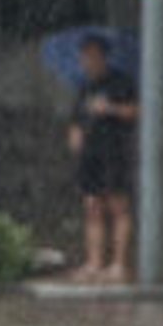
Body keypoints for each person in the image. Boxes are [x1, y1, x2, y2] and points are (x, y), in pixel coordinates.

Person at [67, 34, 138, 284]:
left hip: (114, 152)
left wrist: (110, 109)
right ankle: (94, 262)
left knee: (118, 206)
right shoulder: (84, 86)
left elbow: (135, 111)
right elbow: (76, 117)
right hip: (91, 155)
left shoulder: (120, 82)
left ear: (103, 56)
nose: (87, 60)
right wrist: (75, 136)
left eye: (92, 55)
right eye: (84, 56)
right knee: (92, 207)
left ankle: (119, 263)